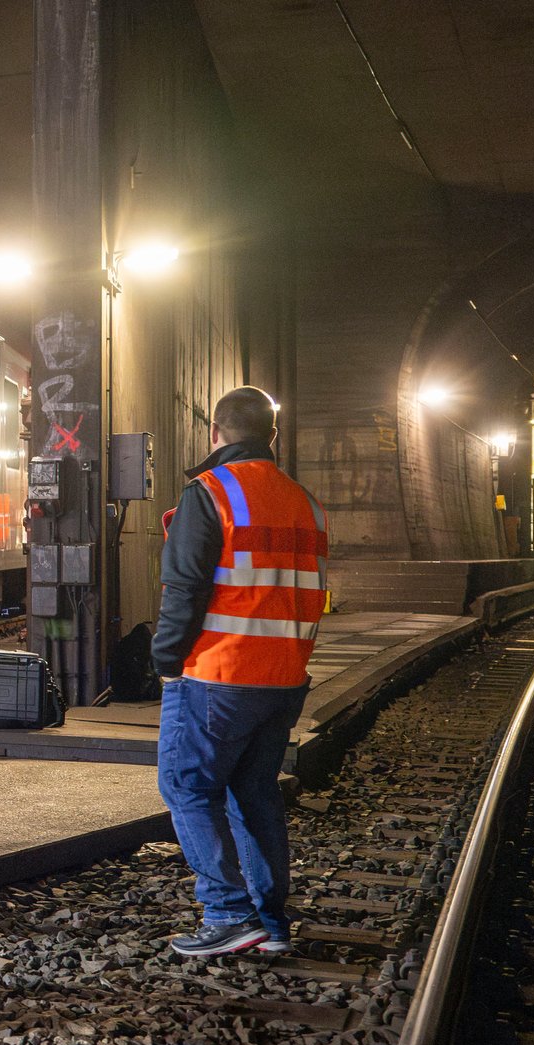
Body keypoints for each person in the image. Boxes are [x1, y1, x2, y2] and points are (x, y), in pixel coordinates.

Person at [150, 386, 328, 958]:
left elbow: (184, 588)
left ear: (215, 433)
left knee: (186, 785)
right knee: (254, 792)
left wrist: (165, 660)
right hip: (285, 677)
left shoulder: (211, 492)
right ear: (271, 437)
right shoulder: (303, 500)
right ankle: (271, 922)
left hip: (219, 672)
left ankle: (228, 912)